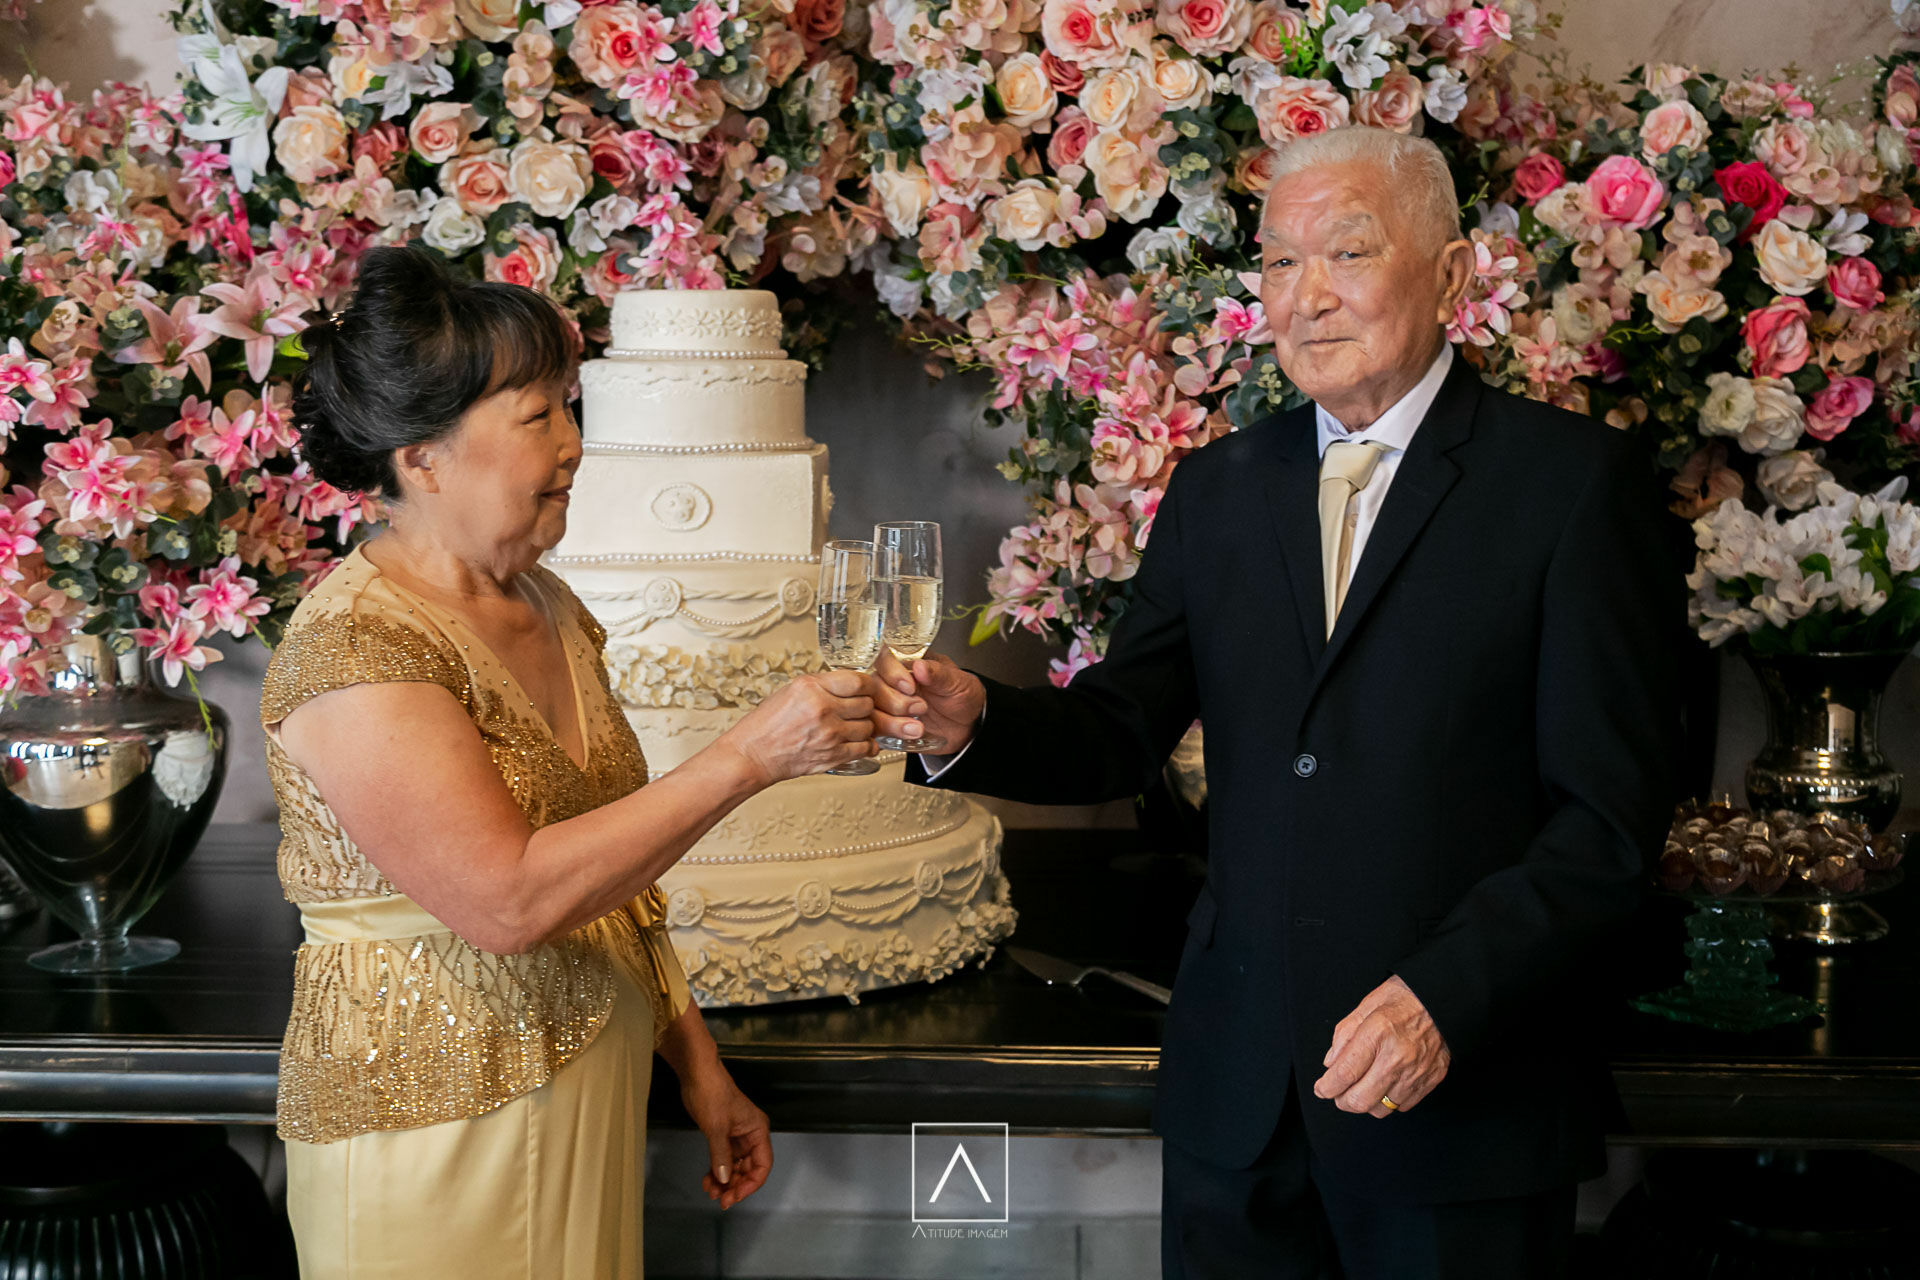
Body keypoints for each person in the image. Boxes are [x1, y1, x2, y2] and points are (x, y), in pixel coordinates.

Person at [872, 126, 1682, 1278]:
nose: (1305, 298)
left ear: (1451, 274)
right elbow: (1119, 729)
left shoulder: (1569, 489)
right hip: (1238, 1100)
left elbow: (1607, 824)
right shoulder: (1220, 488)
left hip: (1457, 1099)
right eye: (1276, 264)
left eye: (1345, 252)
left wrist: (1444, 997)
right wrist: (974, 724)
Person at [264, 246, 881, 1278]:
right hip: (430, 1133)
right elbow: (505, 900)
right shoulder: (355, 649)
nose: (576, 444)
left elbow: (615, 878)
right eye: (539, 414)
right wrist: (749, 756)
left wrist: (699, 1063)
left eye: (569, 406)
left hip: (584, 1099)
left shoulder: (551, 607)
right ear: (425, 453)